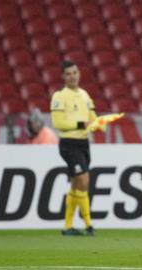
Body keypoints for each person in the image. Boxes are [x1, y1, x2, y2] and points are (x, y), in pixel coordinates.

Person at [50, 60, 96, 236]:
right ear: (63, 76)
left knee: (77, 183)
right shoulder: (59, 96)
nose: (72, 76)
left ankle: (68, 226)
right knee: (84, 180)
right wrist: (81, 124)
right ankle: (89, 224)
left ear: (79, 73)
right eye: (68, 73)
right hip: (69, 143)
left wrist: (99, 123)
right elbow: (58, 122)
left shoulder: (84, 95)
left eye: (75, 72)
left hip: (83, 143)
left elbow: (92, 117)